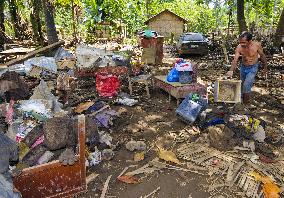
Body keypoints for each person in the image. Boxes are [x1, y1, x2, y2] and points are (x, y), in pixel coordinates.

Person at [226, 31, 267, 104]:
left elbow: (262, 56)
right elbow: (235, 59)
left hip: (253, 67)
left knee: (247, 84)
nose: (242, 44)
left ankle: (246, 104)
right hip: (243, 67)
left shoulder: (256, 45)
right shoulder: (239, 47)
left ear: (250, 41)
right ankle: (240, 101)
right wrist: (231, 71)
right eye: (240, 42)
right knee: (241, 84)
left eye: (244, 42)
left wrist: (265, 68)